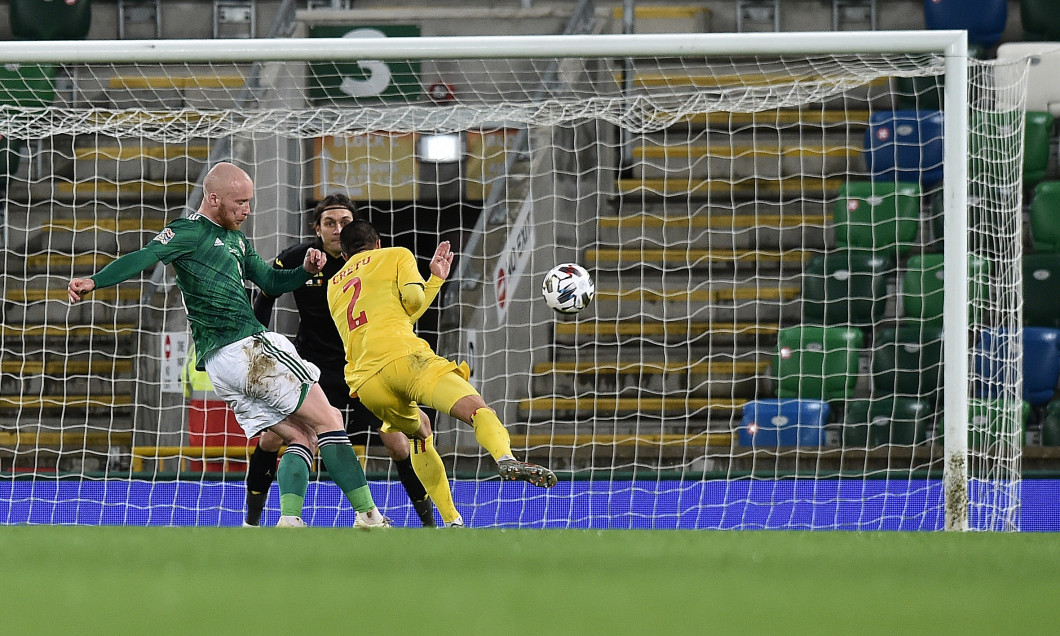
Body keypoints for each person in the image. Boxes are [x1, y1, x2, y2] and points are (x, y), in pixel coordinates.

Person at [67, 162, 389, 529]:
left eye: (250, 201)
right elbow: (143, 257)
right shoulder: (187, 231)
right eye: (240, 202)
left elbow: (269, 280)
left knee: (303, 435)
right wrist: (94, 280)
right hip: (245, 349)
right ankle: (369, 516)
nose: (247, 210)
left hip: (224, 368)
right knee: (331, 420)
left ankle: (289, 521)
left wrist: (305, 271)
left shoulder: (237, 238)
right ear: (213, 197)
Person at [247, 193, 451, 527]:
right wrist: (257, 342)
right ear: (317, 228)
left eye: (345, 222)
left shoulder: (374, 260)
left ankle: (429, 523)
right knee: (272, 437)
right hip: (313, 367)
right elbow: (268, 292)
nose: (338, 228)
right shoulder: (298, 258)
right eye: (330, 222)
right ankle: (251, 522)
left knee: (398, 442)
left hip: (362, 367)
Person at [327, 219, 558, 497]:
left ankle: (451, 521)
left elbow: (395, 317)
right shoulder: (395, 254)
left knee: (420, 433)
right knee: (478, 410)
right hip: (406, 360)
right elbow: (412, 302)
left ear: (343, 256)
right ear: (378, 244)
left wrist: (435, 281)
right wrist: (432, 278)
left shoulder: (332, 285)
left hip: (367, 384)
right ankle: (504, 457)